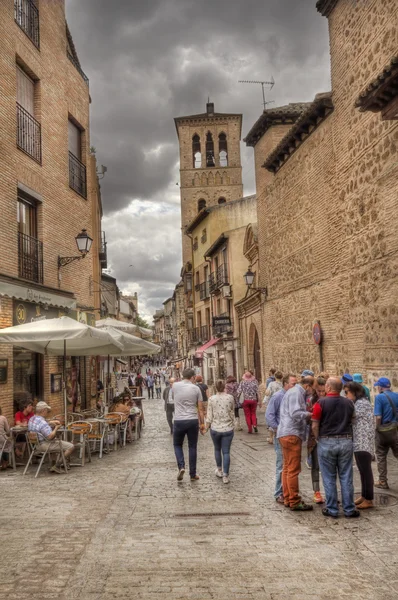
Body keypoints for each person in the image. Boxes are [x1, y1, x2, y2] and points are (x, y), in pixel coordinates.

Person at [312, 377, 359, 518]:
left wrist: (317, 437)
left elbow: (315, 424)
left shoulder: (320, 403)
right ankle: (349, 508)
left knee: (328, 476)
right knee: (346, 476)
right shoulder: (349, 403)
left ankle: (332, 509)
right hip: (345, 440)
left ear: (328, 387)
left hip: (326, 441)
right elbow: (353, 420)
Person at [277, 375, 314, 511]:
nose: (312, 392)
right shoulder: (297, 393)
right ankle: (294, 500)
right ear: (307, 386)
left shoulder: (293, 392)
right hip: (291, 433)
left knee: (287, 467)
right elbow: (295, 413)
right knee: (293, 469)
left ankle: (287, 497)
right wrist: (310, 414)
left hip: (285, 433)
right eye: (312, 388)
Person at [266, 373, 297, 504]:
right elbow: (269, 415)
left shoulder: (294, 396)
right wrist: (277, 429)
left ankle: (289, 491)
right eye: (293, 384)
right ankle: (279, 492)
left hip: (291, 435)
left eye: (296, 384)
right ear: (285, 384)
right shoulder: (278, 396)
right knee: (281, 464)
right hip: (281, 435)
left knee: (290, 465)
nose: (295, 386)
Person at [172, 368, 205, 481]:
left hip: (179, 420)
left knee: (177, 445)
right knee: (192, 446)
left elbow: (174, 398)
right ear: (192, 377)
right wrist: (202, 424)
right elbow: (200, 408)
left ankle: (181, 466)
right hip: (192, 420)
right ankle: (192, 474)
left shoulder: (175, 386)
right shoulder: (196, 388)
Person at [346, 382, 374, 509]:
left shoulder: (361, 404)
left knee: (366, 471)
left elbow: (351, 417)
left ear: (354, 392)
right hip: (359, 441)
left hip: (363, 443)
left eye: (347, 392)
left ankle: (369, 499)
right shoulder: (360, 403)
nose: (346, 395)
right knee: (362, 471)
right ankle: (364, 495)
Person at [28, 402, 75, 474]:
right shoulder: (43, 422)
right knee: (70, 446)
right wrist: (56, 428)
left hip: (35, 446)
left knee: (55, 443)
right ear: (43, 410)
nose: (47, 413)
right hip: (44, 445)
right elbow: (50, 436)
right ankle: (57, 465)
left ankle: (53, 465)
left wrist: (50, 422)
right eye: (47, 411)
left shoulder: (31, 419)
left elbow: (40, 424)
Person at [206, 380, 235, 484]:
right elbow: (232, 411)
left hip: (215, 428)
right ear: (224, 387)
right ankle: (225, 476)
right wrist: (233, 423)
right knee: (226, 452)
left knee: (217, 449)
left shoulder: (211, 399)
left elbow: (209, 416)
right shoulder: (230, 397)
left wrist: (206, 427)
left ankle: (219, 470)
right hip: (227, 428)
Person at [373, 376, 398, 490]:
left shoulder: (379, 397)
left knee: (381, 456)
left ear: (380, 387)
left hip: (383, 431)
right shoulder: (396, 396)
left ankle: (383, 481)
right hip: (394, 430)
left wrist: (377, 428)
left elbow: (378, 416)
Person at [305, 377, 326, 504]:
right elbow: (308, 420)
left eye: (323, 391)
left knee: (330, 466)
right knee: (315, 465)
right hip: (314, 438)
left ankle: (330, 491)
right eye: (319, 391)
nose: (321, 393)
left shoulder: (330, 401)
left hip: (328, 436)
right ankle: (316, 491)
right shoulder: (311, 401)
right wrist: (311, 414)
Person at [264, 370, 283, 444]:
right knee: (278, 418)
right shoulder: (282, 384)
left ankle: (271, 437)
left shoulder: (271, 384)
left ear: (275, 377)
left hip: (272, 403)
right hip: (281, 403)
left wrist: (265, 400)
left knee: (271, 418)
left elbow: (267, 393)